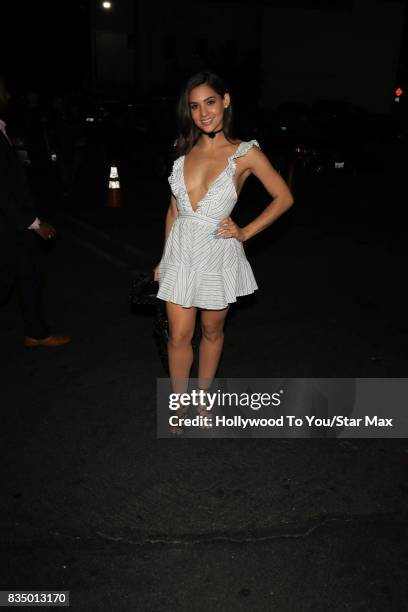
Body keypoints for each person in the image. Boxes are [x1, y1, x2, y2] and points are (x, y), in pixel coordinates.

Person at [153, 71, 294, 433]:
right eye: (195, 106)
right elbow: (174, 210)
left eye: (210, 102)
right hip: (182, 252)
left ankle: (204, 402)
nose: (203, 113)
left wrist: (245, 231)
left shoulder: (244, 153)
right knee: (179, 335)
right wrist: (163, 257)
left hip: (218, 253)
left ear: (225, 101)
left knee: (212, 332)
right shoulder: (183, 151)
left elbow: (284, 197)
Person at [0, 74, 71, 348]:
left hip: (13, 224)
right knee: (7, 279)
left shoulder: (4, 129)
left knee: (29, 275)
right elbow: (3, 192)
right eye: (3, 91)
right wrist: (33, 222)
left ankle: (37, 332)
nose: (7, 97)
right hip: (9, 226)